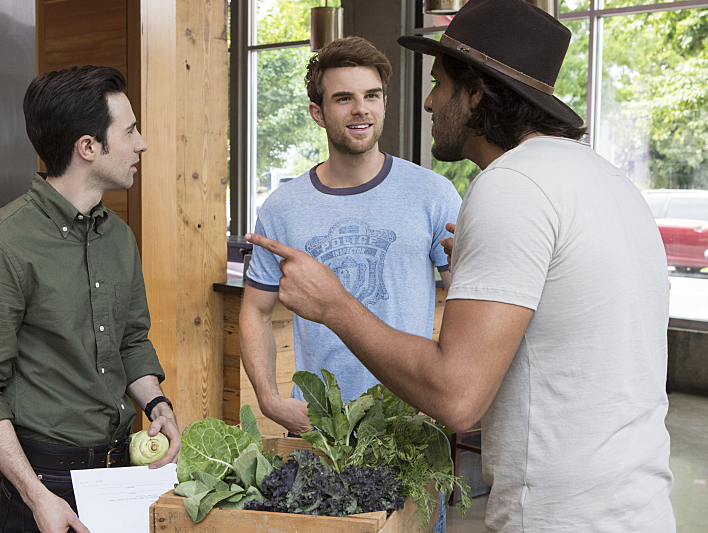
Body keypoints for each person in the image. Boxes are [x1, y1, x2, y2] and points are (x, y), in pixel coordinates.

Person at [244, 1, 676, 531]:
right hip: (636, 507)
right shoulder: (603, 179)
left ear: (474, 93)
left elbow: (458, 399)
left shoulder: (510, 187)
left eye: (439, 84)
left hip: (557, 516)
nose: (427, 102)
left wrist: (333, 303)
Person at [0, 65, 181, 533]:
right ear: (88, 147)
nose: (142, 144)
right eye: (131, 130)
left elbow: (132, 342)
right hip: (46, 481)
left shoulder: (118, 237)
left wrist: (159, 408)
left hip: (123, 469)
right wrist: (37, 496)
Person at [240, 36, 460, 435]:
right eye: (343, 98)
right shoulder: (282, 207)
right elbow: (255, 310)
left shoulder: (433, 194)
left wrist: (448, 394)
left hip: (409, 424)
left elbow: (466, 304)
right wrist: (270, 400)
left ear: (384, 104)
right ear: (317, 113)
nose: (361, 109)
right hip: (319, 426)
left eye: (372, 95)